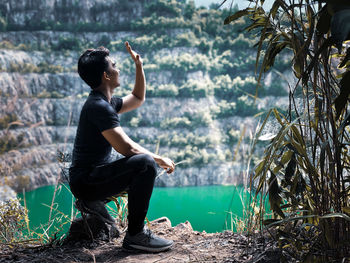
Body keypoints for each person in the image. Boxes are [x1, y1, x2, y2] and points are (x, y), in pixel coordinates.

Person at [69, 42, 175, 253]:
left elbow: (137, 98)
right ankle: (136, 235)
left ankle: (93, 202)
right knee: (144, 164)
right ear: (106, 76)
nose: (118, 69)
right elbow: (127, 148)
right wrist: (159, 158)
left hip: (91, 178)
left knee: (143, 163)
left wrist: (139, 66)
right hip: (87, 181)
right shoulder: (98, 107)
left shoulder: (104, 102)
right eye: (114, 66)